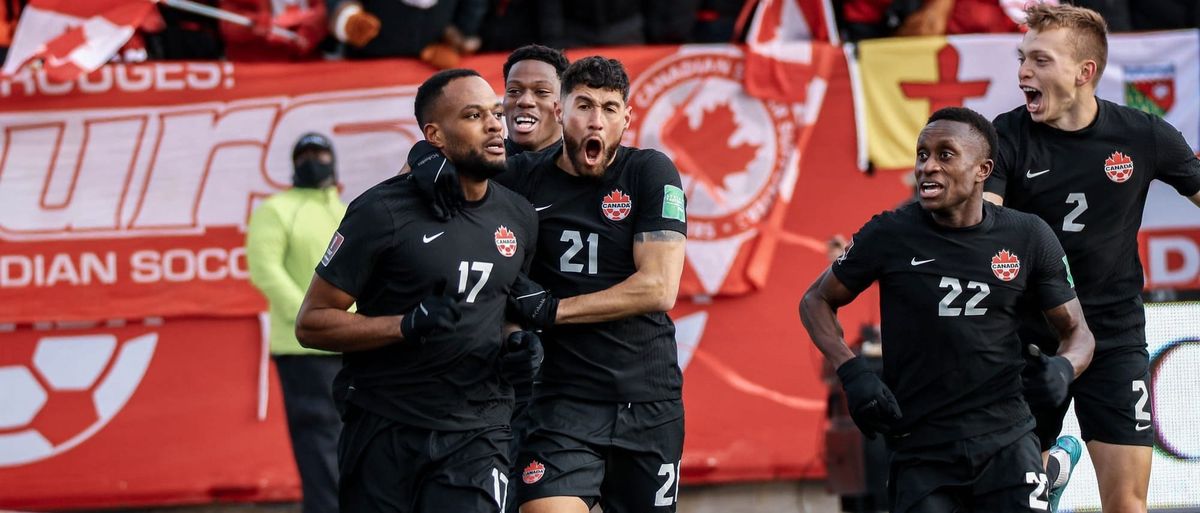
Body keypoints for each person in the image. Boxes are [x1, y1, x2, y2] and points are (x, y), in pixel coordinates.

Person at [800, 107, 1095, 512]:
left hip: (1007, 438)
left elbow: (1077, 332)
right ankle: (1052, 471)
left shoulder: (1028, 235)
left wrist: (1064, 368)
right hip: (922, 447)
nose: (928, 167)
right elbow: (816, 299)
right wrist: (851, 372)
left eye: (945, 155)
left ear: (982, 170)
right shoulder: (889, 233)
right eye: (922, 155)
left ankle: (1048, 468)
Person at [294, 68, 541, 513]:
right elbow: (311, 324)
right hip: (384, 425)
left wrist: (517, 344)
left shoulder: (520, 216)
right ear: (435, 135)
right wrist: (404, 326)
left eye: (495, 113)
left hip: (477, 431)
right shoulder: (380, 210)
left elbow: (504, 307)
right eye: (472, 115)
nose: (493, 125)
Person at [984, 4, 1200, 512]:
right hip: (1030, 338)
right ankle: (1053, 468)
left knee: (1126, 504)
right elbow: (981, 228)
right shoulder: (1005, 135)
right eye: (1022, 59)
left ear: (1085, 73)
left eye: (1039, 60)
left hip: (1112, 335)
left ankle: (1056, 467)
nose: (1022, 72)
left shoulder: (1143, 135)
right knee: (1015, 500)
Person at [501, 56, 688, 513]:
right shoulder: (521, 178)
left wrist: (552, 311)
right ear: (560, 112)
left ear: (627, 118)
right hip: (561, 402)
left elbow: (658, 287)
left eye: (609, 108)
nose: (596, 120)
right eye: (584, 105)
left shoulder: (649, 172)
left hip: (648, 400)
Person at [245, 132, 345, 513]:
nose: (314, 161)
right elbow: (265, 270)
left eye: (320, 154)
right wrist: (312, 318)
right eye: (305, 155)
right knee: (318, 440)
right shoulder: (276, 210)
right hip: (303, 348)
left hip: (355, 343)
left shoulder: (346, 210)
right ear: (292, 163)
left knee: (355, 439)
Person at [502, 44, 569, 157]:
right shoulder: (477, 167)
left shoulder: (582, 169)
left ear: (564, 106)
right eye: (514, 91)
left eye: (541, 92)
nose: (525, 101)